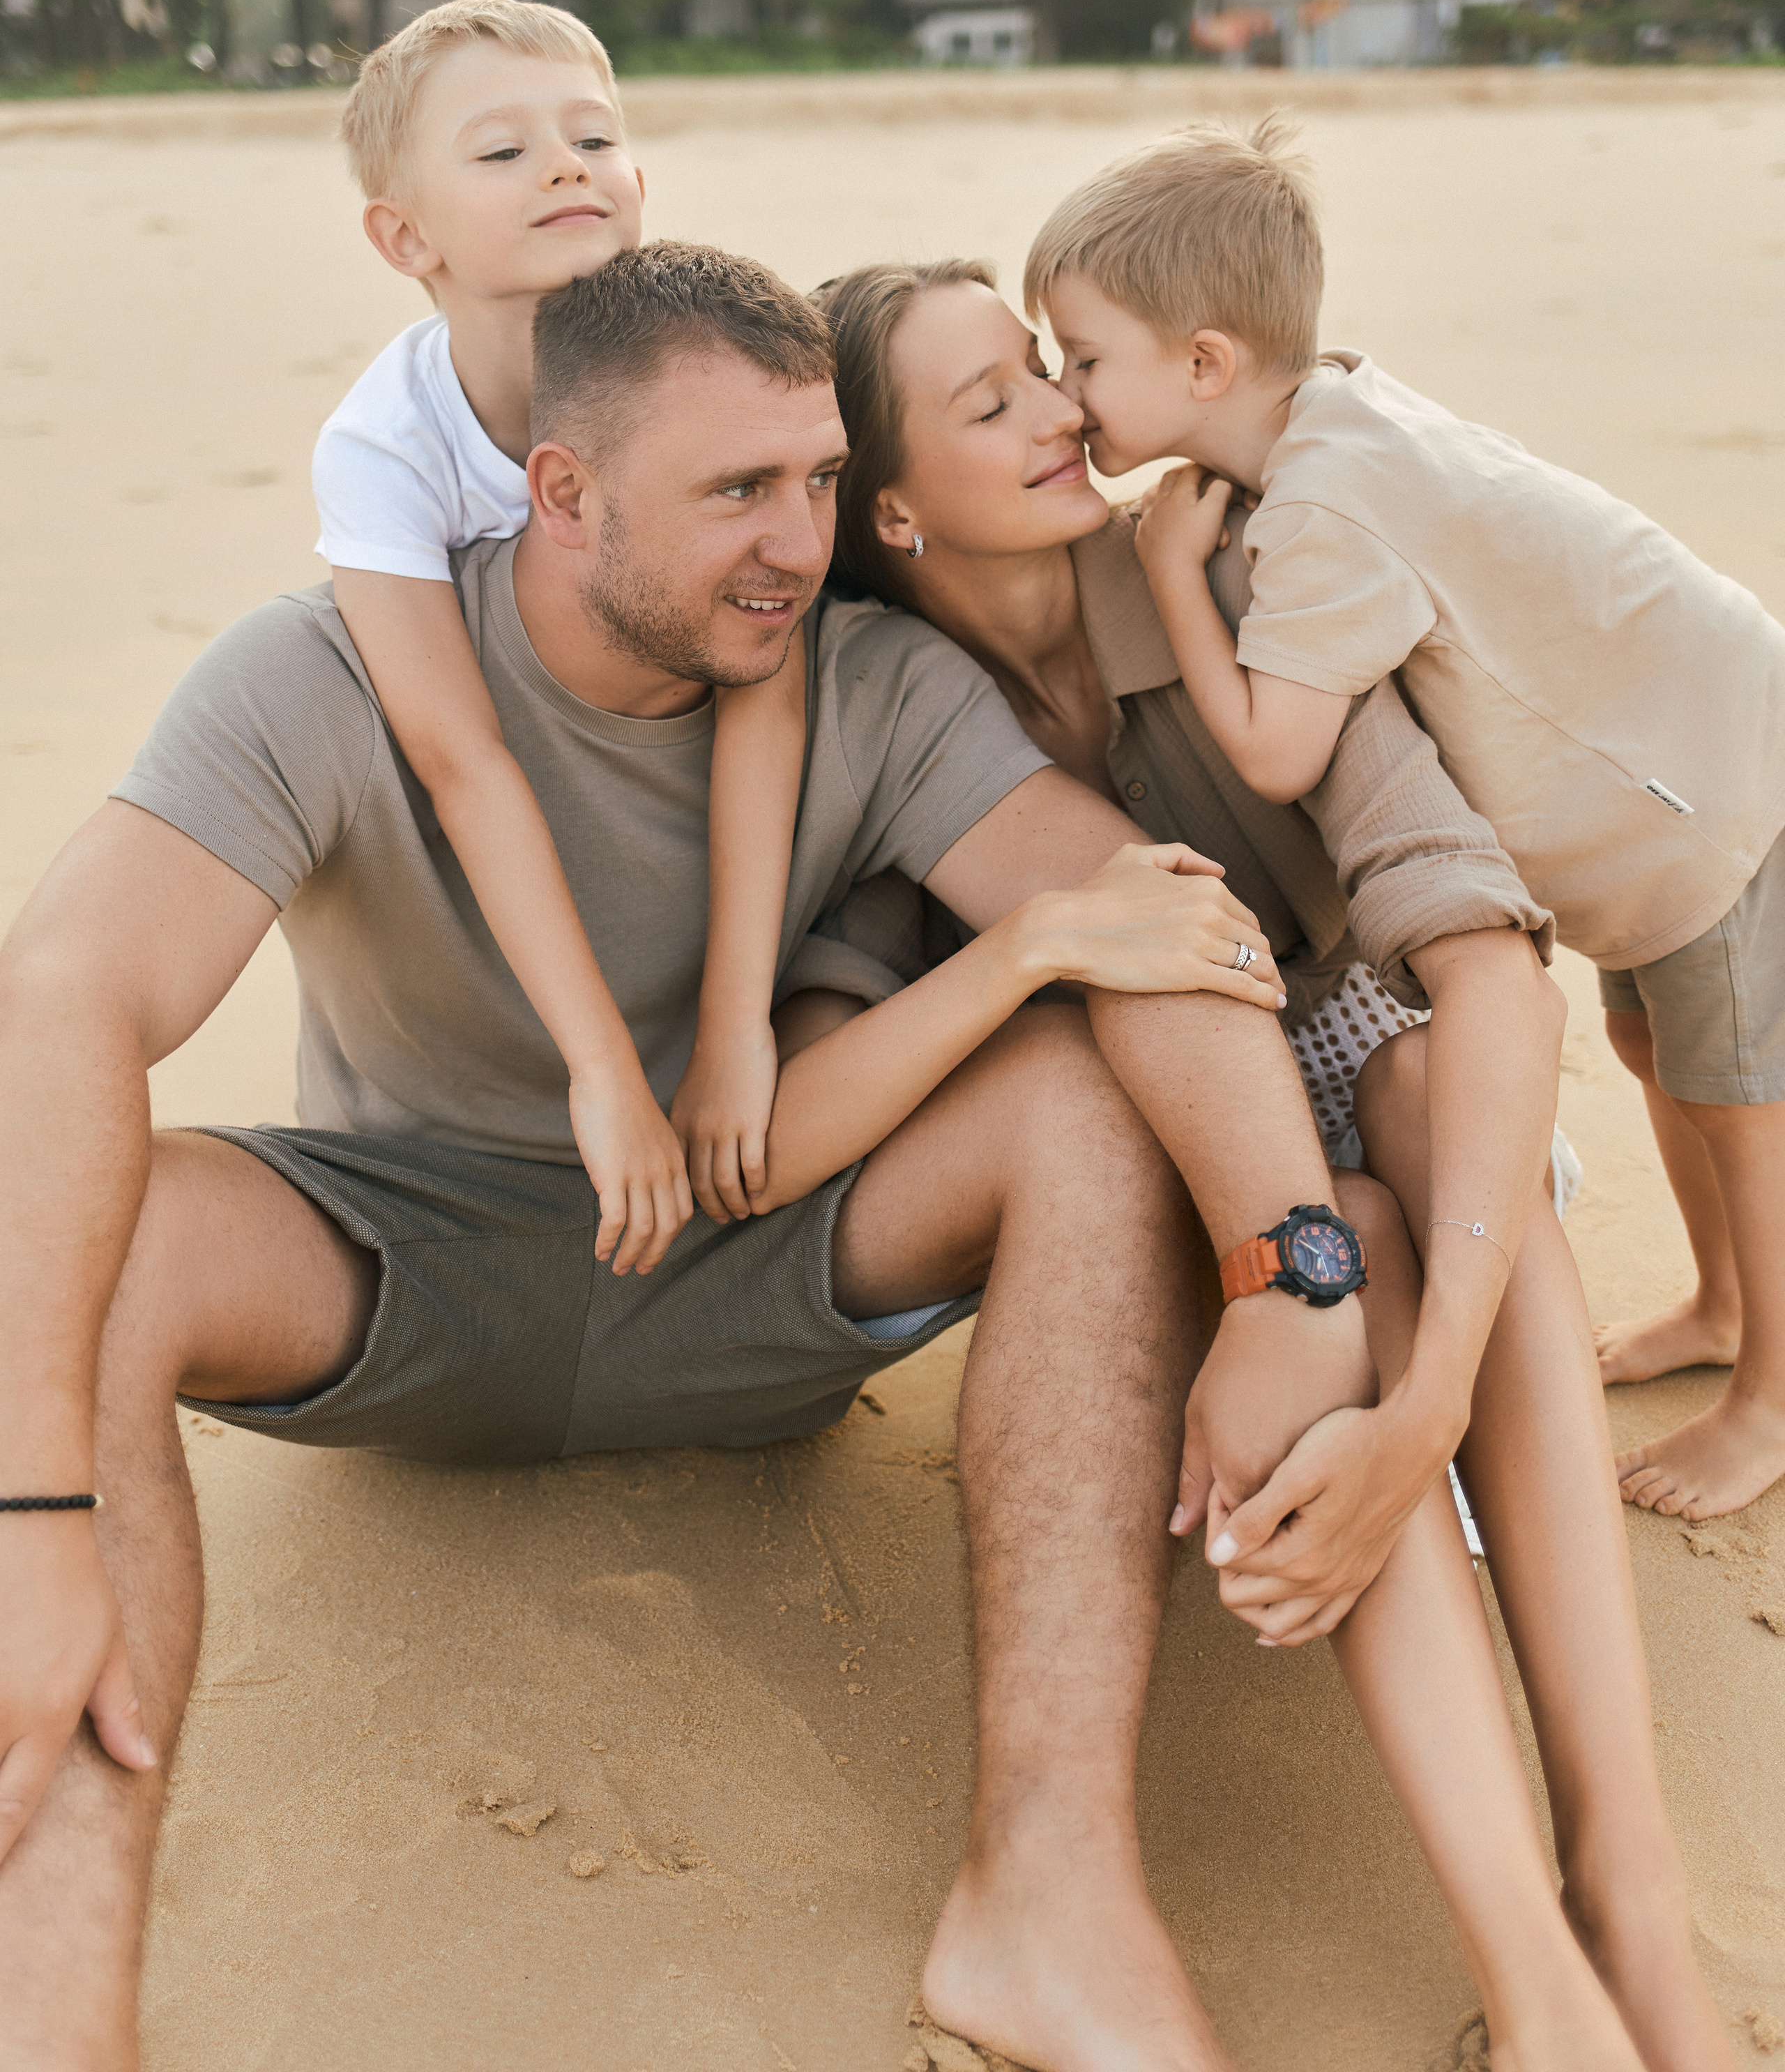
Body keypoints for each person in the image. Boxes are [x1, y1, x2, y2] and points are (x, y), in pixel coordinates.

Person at [0, 236, 1402, 2072]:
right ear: (560, 493)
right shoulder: (334, 670)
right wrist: (29, 1517)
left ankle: (1050, 1898)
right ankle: (57, 2011)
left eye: (820, 481)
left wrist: (1289, 1262)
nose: (796, 543)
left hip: (768, 1273)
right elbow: (59, 999)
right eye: (737, 490)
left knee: (1071, 1093)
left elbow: (1158, 925)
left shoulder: (871, 687)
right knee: (126, 1214)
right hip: (406, 1275)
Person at [811, 252, 1738, 2072]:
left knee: (1404, 1093)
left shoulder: (1228, 566)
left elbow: (1487, 963)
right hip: (1169, 1195)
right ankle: (1544, 1987)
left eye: (1041, 368)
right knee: (1351, 1242)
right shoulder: (883, 722)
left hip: (1418, 1117)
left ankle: (1626, 1893)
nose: (1065, 409)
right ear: (893, 509)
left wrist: (1430, 1406)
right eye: (991, 401)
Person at [1028, 114, 1785, 1528]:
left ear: (1201, 365)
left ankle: (1772, 1399)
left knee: (1741, 1092)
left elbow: (1270, 748)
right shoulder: (1332, 415)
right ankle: (1723, 1306)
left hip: (1704, 792)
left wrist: (1172, 572)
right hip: (1666, 760)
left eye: (1079, 358)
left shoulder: (1320, 508)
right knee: (1650, 1044)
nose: (1062, 394)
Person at [317, 0, 805, 1260]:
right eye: (502, 151)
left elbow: (768, 672)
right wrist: (602, 1067)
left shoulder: (705, 359)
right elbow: (457, 758)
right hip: (504, 831)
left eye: (593, 137)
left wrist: (736, 1024)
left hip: (693, 784)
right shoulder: (385, 448)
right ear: (402, 235)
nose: (564, 165)